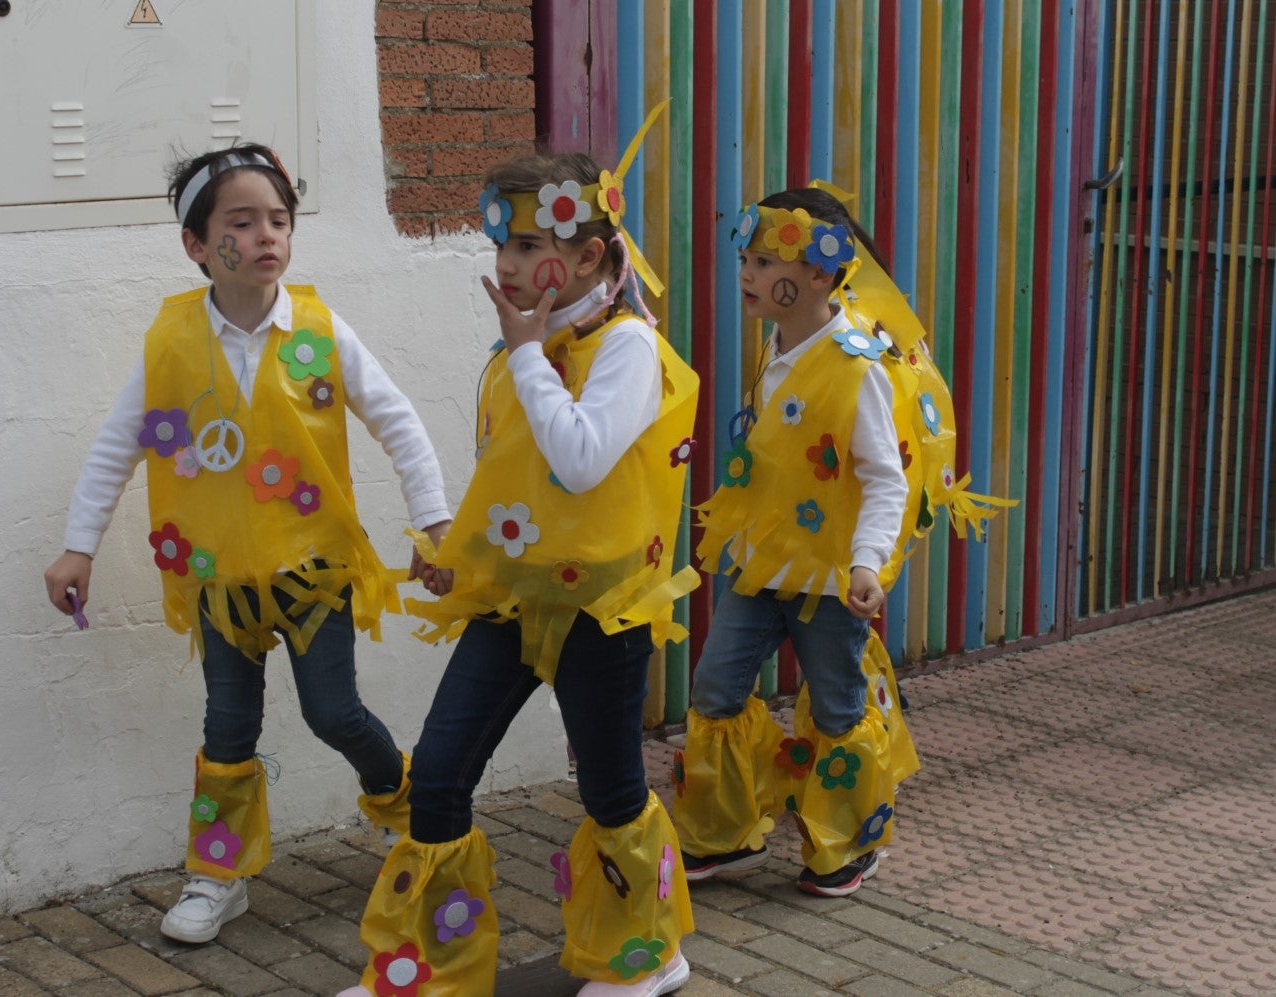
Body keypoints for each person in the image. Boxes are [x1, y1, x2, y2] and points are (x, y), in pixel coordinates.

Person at [42, 143, 451, 944]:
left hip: (313, 569)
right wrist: (78, 546)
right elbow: (118, 443)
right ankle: (216, 872)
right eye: (242, 221)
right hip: (219, 576)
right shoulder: (171, 344)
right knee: (228, 725)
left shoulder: (320, 331)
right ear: (197, 244)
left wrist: (434, 523)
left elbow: (398, 422)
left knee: (334, 712)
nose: (267, 234)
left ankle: (412, 812)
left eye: (279, 219)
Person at [342, 109, 700, 997]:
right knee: (438, 773)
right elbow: (512, 484)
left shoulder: (625, 347)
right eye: (500, 239)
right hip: (511, 602)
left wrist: (527, 354)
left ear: (588, 255)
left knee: (610, 790)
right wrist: (459, 558)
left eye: (529, 243)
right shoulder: (521, 351)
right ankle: (425, 971)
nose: (505, 260)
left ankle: (648, 955)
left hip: (600, 613)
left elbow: (578, 461)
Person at [672, 185, 1005, 898]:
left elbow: (885, 478)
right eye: (746, 259)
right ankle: (723, 832)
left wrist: (865, 563)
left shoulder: (857, 367)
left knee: (835, 708)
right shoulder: (778, 345)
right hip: (759, 565)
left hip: (828, 579)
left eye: (765, 262)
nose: (747, 274)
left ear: (820, 274)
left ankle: (848, 842)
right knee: (715, 688)